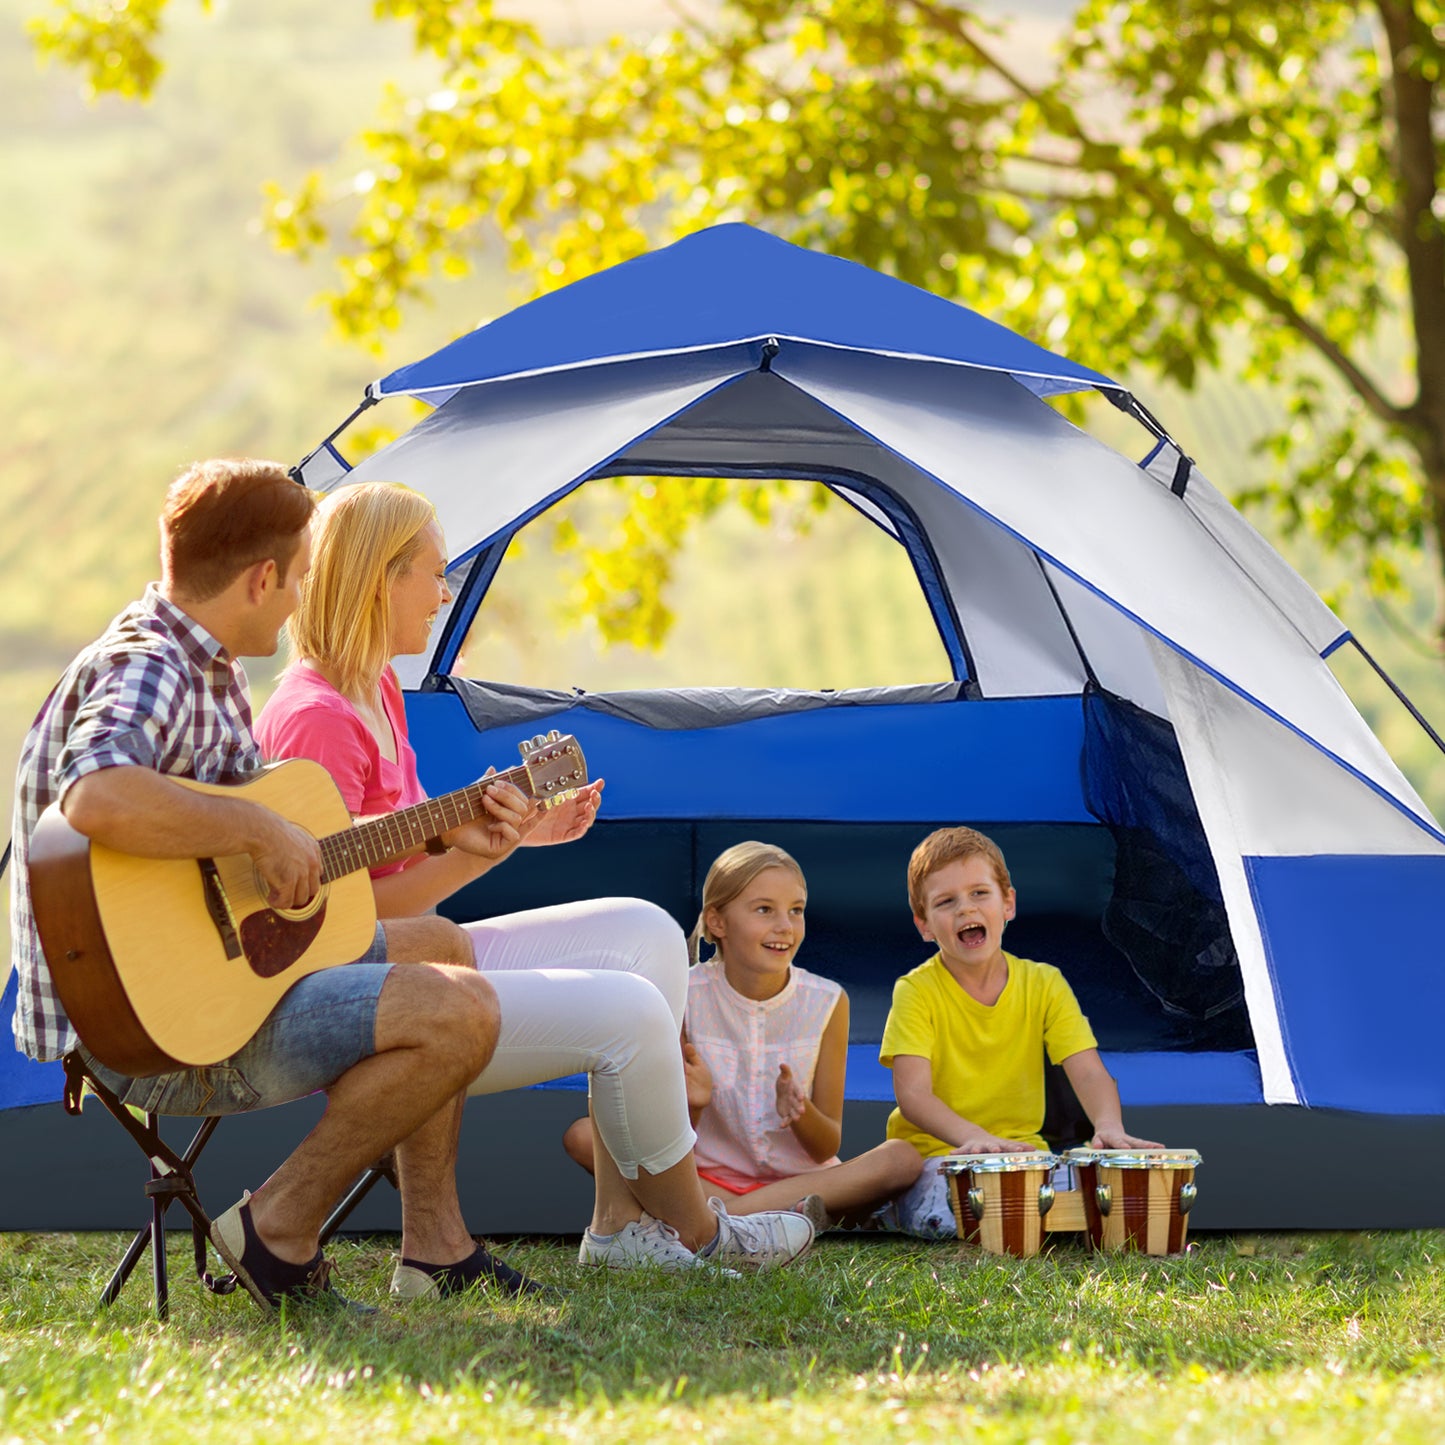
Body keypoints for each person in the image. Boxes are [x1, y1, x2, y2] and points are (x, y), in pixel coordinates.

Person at [254, 480, 814, 1277]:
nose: (444, 593)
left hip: (408, 956)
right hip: (356, 999)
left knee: (649, 931)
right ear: (382, 577)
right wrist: (475, 854)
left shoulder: (374, 688)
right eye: (433, 572)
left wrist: (515, 836)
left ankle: (619, 1227)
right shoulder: (314, 715)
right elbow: (336, 917)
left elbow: (403, 871)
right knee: (626, 1012)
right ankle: (703, 1230)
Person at [9, 457, 516, 1314]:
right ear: (261, 577)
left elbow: (274, 858)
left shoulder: (202, 666)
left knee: (443, 945)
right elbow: (96, 792)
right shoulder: (151, 667)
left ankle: (434, 1247)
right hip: (150, 1028)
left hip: (207, 974)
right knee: (461, 1009)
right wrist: (255, 827)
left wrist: (438, 829)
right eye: (298, 581)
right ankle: (277, 1226)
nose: (299, 604)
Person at [562, 842, 923, 1230]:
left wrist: (801, 1115)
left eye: (796, 910)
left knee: (902, 1158)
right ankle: (780, 1217)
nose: (785, 925)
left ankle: (723, 1221)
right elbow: (662, 1141)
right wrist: (694, 1106)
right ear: (717, 922)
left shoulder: (830, 1000)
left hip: (802, 1180)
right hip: (706, 1179)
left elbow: (827, 1145)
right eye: (765, 909)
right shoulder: (681, 994)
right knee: (584, 1135)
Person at [881, 825, 1162, 1239]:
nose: (965, 909)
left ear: (1008, 903)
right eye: (946, 902)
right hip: (940, 1157)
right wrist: (976, 1140)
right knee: (951, 1212)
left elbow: (1087, 1071)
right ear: (924, 925)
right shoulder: (915, 991)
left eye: (980, 893)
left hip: (1026, 1158)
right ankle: (904, 1208)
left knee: (1100, 1194)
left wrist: (1108, 1127)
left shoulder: (1044, 983)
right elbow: (913, 1097)